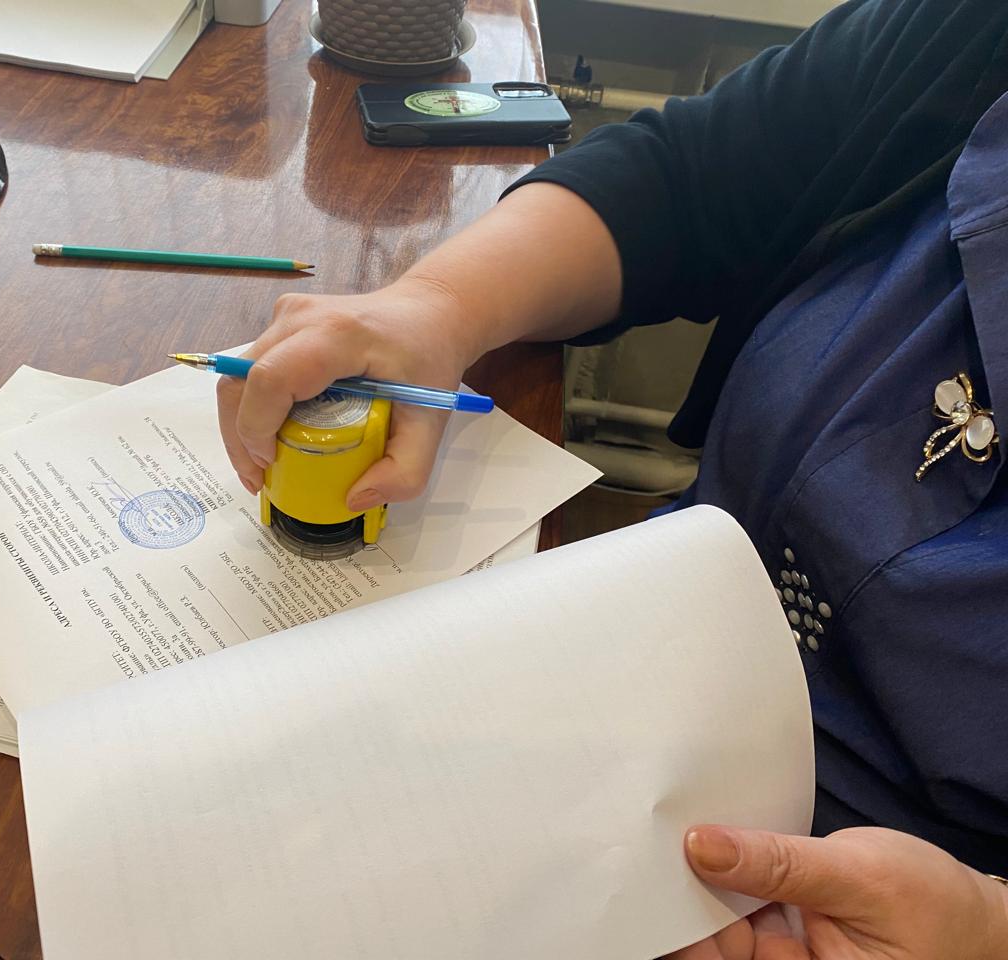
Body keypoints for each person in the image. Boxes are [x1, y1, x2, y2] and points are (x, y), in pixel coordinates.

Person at [217, 0, 1008, 954]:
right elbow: (685, 179)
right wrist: (434, 305)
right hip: (612, 670)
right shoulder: (973, 30)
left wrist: (987, 928)